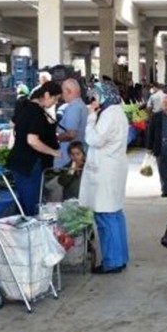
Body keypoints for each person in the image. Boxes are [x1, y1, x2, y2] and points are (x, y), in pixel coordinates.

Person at [79, 81, 130, 274]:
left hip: (106, 172)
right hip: (113, 168)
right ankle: (120, 257)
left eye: (97, 95)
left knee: (105, 216)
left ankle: (112, 261)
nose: (94, 99)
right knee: (115, 214)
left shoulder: (108, 115)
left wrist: (91, 117)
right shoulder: (117, 112)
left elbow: (94, 139)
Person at [6, 82, 63, 216]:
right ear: (47, 95)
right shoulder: (36, 112)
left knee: (25, 203)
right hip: (30, 164)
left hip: (19, 162)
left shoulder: (25, 106)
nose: (55, 103)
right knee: (32, 206)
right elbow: (32, 140)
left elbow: (12, 124)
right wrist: (53, 152)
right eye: (55, 99)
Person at [56, 79, 89, 168]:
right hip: (78, 154)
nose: (62, 95)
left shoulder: (74, 108)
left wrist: (56, 138)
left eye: (63, 92)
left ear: (68, 91)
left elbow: (71, 134)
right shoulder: (82, 105)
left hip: (69, 158)